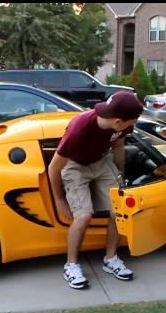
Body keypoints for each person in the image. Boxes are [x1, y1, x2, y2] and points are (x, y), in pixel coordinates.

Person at [48, 91, 144, 289]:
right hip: (74, 165)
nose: (132, 125)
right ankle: (71, 265)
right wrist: (59, 200)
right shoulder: (79, 128)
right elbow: (54, 167)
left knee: (120, 210)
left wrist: (120, 176)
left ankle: (111, 259)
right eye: (130, 122)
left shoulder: (119, 125)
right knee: (83, 216)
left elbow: (118, 146)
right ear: (118, 122)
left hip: (101, 161)